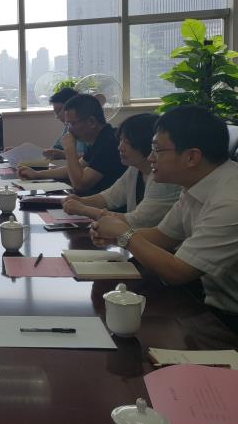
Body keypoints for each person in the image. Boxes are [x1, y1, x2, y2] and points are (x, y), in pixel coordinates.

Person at [91, 106, 238, 328]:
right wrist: (114, 236)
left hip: (229, 319)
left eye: (157, 150)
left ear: (191, 157)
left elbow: (177, 271)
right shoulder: (195, 185)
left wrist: (124, 234)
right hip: (207, 302)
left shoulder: (229, 201)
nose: (150, 157)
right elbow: (163, 235)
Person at [61, 113, 181, 227]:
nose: (120, 147)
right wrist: (81, 201)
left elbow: (137, 221)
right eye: (121, 140)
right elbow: (110, 197)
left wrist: (84, 209)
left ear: (146, 143)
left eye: (127, 142)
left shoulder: (164, 179)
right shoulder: (135, 169)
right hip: (134, 238)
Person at [19, 93, 125, 195]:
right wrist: (36, 174)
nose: (69, 129)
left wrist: (69, 149)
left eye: (72, 123)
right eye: (67, 124)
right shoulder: (100, 138)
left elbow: (80, 185)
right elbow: (75, 168)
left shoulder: (109, 143)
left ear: (92, 122)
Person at [43, 87, 88, 160]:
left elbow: (90, 159)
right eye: (55, 112)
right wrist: (50, 152)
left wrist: (64, 155)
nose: (57, 116)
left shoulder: (89, 129)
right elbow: (57, 147)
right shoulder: (68, 127)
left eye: (60, 110)